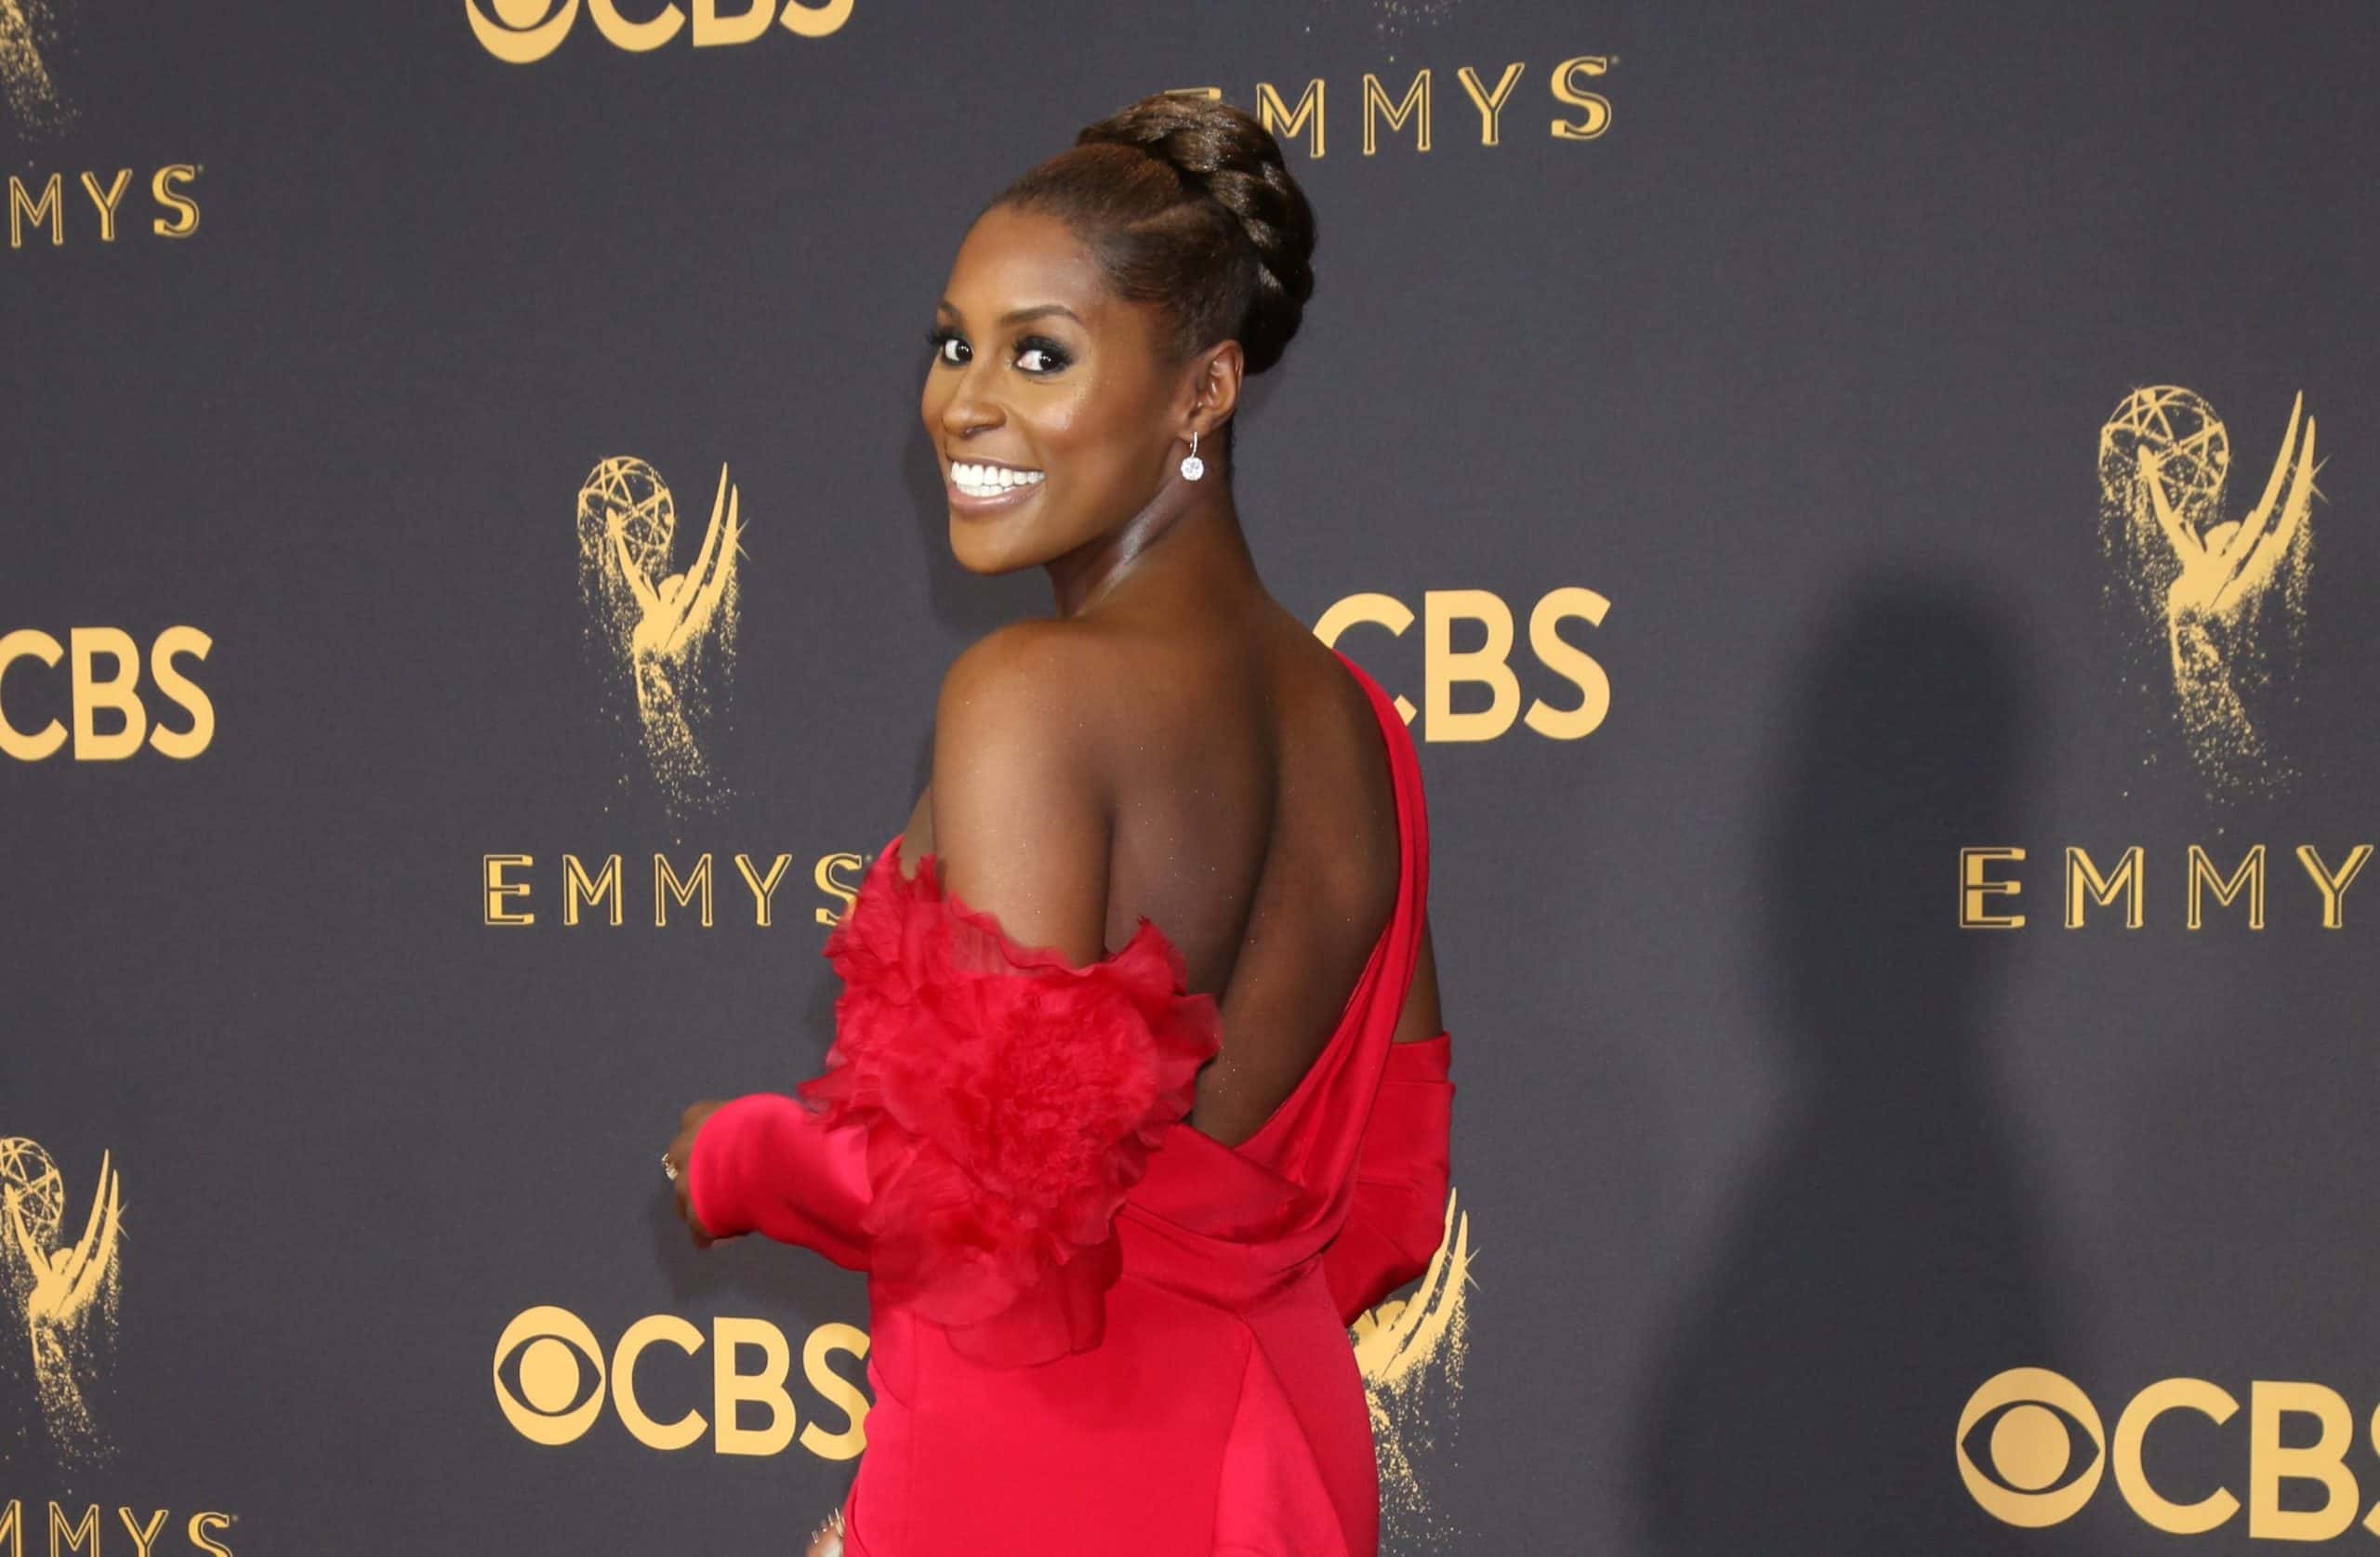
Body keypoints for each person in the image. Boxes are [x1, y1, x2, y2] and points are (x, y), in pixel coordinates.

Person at [660, 90, 1453, 1557]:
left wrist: (738, 1157)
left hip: (1045, 1471)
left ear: (1202, 392)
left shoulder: (1029, 694)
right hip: (1285, 1458)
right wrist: (1214, 1317)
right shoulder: (1363, 724)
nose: (964, 403)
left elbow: (992, 1203)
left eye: (1040, 354)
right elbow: (1399, 1199)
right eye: (951, 344)